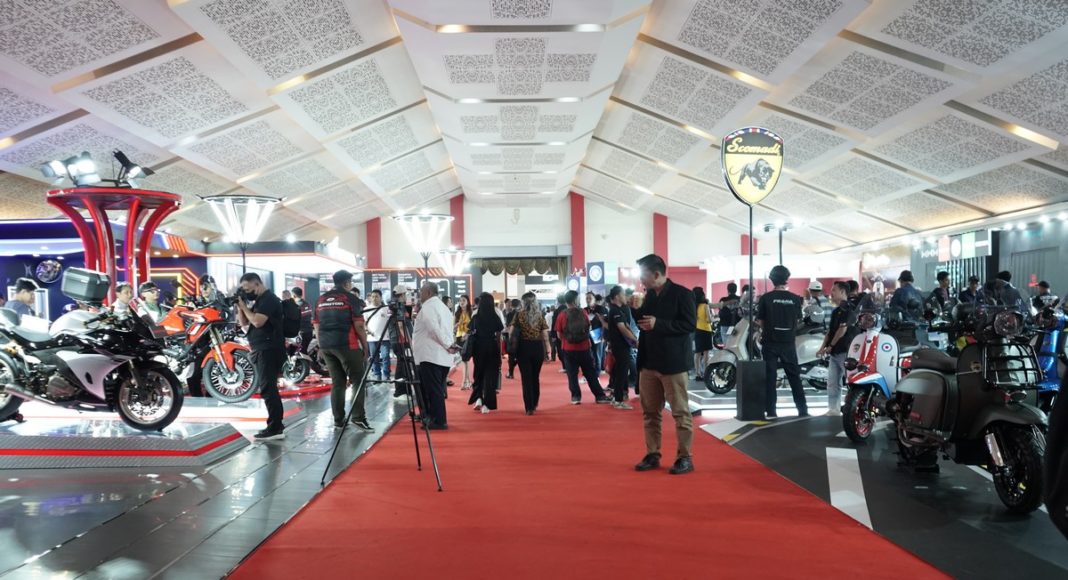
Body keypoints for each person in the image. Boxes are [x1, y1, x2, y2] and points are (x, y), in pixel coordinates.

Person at [633, 254, 697, 475]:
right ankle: (652, 454)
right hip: (649, 362)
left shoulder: (683, 294)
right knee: (650, 413)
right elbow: (643, 324)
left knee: (680, 413)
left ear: (656, 274)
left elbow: (689, 325)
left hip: (673, 363)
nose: (641, 279)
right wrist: (635, 309)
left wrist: (658, 324)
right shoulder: (649, 295)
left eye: (643, 274)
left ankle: (685, 457)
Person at [314, 270, 372, 431]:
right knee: (358, 381)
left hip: (327, 346)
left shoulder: (320, 300)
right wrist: (365, 346)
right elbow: (359, 326)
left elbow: (316, 325)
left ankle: (338, 420)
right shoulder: (351, 299)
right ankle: (358, 417)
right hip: (347, 345)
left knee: (338, 383)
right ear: (347, 283)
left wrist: (321, 346)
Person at [235, 273, 286, 440]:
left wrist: (244, 307)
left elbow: (257, 322)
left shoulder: (269, 299)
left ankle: (275, 428)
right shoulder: (259, 301)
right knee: (267, 388)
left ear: (256, 283)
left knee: (268, 388)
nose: (246, 292)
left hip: (269, 349)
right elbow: (244, 324)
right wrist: (240, 307)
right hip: (261, 349)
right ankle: (276, 425)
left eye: (247, 288)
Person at [756, 265, 807, 419]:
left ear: (771, 279)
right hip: (788, 342)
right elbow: (798, 320)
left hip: (770, 342)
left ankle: (771, 411)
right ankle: (802, 410)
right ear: (786, 278)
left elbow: (761, 322)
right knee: (794, 377)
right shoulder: (795, 299)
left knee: (770, 378)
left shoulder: (765, 298)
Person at [556, 290, 611, 405]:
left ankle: (576, 397)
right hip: (584, 347)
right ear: (576, 300)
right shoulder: (583, 312)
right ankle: (599, 396)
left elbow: (559, 334)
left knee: (572, 374)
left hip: (568, 348)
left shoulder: (562, 315)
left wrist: (568, 340)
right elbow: (588, 328)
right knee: (590, 373)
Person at [413, 282, 456, 429]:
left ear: (429, 292)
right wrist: (449, 345)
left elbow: (434, 329)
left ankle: (438, 420)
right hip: (439, 356)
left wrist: (448, 345)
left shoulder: (429, 307)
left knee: (433, 391)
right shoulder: (443, 307)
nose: (419, 294)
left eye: (421, 291)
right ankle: (432, 417)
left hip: (431, 355)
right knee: (435, 389)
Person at [818, 281, 855, 417]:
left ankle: (853, 408)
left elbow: (842, 330)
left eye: (834, 290)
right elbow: (830, 332)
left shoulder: (849, 309)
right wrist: (823, 348)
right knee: (832, 382)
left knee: (851, 382)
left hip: (846, 351)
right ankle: (833, 409)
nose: (831, 293)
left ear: (843, 292)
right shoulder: (836, 311)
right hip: (835, 352)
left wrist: (830, 346)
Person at [513, 292, 551, 415]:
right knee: (535, 377)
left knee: (526, 378)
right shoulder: (540, 315)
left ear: (523, 302)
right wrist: (548, 350)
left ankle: (529, 407)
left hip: (523, 348)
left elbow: (512, 332)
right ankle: (534, 403)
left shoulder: (519, 315)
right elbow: (545, 335)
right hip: (537, 347)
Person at [468, 291, 504, 413]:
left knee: (478, 373)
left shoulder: (475, 316)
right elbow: (498, 336)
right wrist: (499, 352)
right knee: (490, 376)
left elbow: (470, 332)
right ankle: (487, 405)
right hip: (492, 347)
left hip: (478, 348)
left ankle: (478, 398)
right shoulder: (495, 316)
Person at [607, 285, 638, 410]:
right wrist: (635, 341)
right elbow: (622, 328)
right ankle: (618, 400)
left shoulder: (619, 310)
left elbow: (626, 326)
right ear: (617, 297)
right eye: (623, 294)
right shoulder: (615, 310)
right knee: (621, 372)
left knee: (621, 371)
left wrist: (634, 339)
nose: (625, 297)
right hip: (620, 346)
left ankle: (617, 397)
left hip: (623, 345)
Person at [387, 284, 415, 398]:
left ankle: (405, 389)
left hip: (399, 339)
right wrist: (409, 341)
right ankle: (400, 390)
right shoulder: (398, 307)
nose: (406, 296)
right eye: (405, 294)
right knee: (402, 364)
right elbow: (400, 325)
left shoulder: (395, 306)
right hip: (401, 340)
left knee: (404, 363)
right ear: (402, 295)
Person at [365, 289, 391, 383]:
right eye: (373, 296)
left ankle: (386, 375)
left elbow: (390, 321)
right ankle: (377, 375)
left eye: (376, 296)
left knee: (385, 356)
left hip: (385, 337)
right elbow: (364, 322)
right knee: (374, 358)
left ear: (380, 298)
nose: (374, 298)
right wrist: (367, 330)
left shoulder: (386, 309)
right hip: (371, 338)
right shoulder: (366, 309)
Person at [692, 287, 713, 377]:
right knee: (706, 353)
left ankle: (697, 373)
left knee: (697, 353)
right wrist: (713, 317)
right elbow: (709, 320)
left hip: (697, 330)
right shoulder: (705, 306)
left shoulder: (693, 306)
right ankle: (705, 372)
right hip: (706, 330)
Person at [585, 292, 607, 373]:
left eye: (590, 298)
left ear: (594, 299)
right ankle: (595, 369)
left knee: (598, 353)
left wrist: (603, 334)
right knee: (590, 353)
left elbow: (605, 323)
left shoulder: (601, 309)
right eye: (587, 298)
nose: (588, 300)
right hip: (587, 333)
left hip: (598, 332)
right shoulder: (585, 310)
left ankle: (597, 372)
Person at [291, 287, 314, 354]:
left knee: (300, 353)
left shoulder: (295, 306)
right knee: (306, 352)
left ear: (294, 295)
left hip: (300, 333)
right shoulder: (307, 304)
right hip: (309, 331)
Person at [504, 298, 520, 379]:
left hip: (512, 336)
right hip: (521, 337)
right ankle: (513, 366)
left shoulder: (509, 315)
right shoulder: (522, 314)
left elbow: (508, 326)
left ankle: (511, 373)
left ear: (511, 305)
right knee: (520, 354)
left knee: (511, 356)